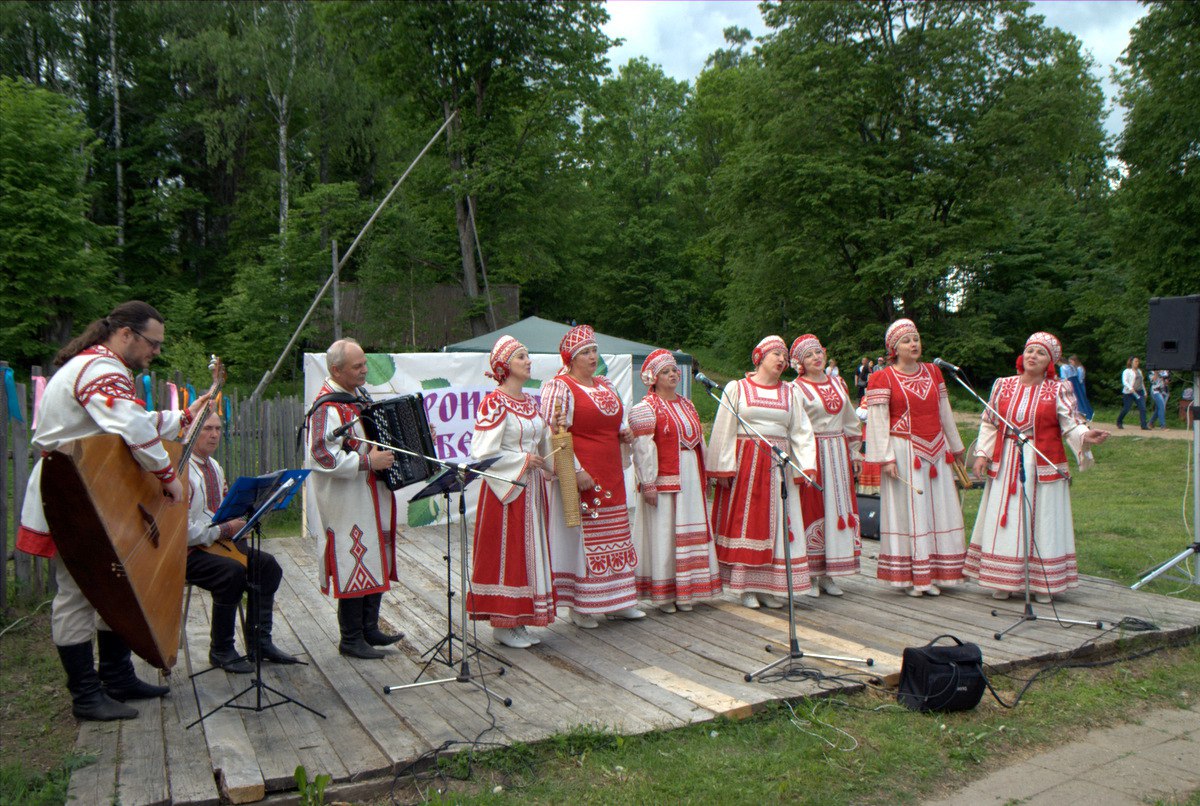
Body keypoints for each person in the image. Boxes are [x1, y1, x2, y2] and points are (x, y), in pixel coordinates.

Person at [16, 301, 210, 721]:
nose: (156, 352)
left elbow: (128, 421)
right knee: (78, 591)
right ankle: (87, 696)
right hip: (75, 489)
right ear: (125, 334)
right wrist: (167, 476)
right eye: (152, 343)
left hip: (94, 487)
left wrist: (183, 417)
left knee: (114, 584)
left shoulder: (99, 367)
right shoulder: (102, 370)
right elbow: (132, 428)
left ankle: (117, 677)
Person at [965, 333, 1110, 602]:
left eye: (1040, 353)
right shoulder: (1002, 385)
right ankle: (1004, 580)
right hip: (1007, 458)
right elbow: (989, 422)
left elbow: (1070, 424)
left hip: (1041, 459)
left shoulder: (1058, 388)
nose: (1033, 356)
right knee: (1005, 517)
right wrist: (983, 454)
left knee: (1042, 519)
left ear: (1050, 363)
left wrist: (1085, 436)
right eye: (1030, 350)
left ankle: (1043, 584)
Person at [540, 325, 645, 628]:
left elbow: (615, 422)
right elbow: (556, 433)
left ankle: (619, 601)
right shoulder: (560, 387)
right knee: (586, 537)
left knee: (616, 534)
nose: (591, 356)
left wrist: (623, 432)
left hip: (610, 469)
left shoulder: (605, 384)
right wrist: (574, 470)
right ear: (571, 359)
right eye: (585, 352)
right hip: (584, 472)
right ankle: (582, 606)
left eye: (593, 350)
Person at [306, 338, 405, 659]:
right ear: (336, 370)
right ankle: (350, 638)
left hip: (369, 493)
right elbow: (320, 455)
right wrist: (366, 462)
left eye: (364, 364)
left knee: (371, 553)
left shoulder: (356, 397)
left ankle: (368, 627)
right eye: (357, 366)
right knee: (355, 556)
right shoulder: (326, 407)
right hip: (346, 499)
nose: (365, 371)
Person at [708, 336, 817, 608]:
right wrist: (722, 467)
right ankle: (745, 586)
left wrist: (805, 465)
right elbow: (724, 427)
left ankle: (768, 586)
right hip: (747, 462)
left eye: (783, 355)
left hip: (778, 463)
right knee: (748, 523)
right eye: (775, 354)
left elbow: (801, 430)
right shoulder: (738, 388)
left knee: (779, 524)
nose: (781, 360)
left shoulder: (790, 392)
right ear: (760, 358)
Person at [186, 412, 299, 671]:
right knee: (231, 572)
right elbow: (180, 531)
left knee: (267, 566)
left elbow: (223, 508)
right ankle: (221, 649)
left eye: (218, 428)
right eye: (207, 429)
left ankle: (260, 642)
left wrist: (242, 522)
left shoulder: (214, 466)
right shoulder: (182, 472)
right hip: (186, 552)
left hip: (217, 544)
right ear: (190, 432)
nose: (214, 434)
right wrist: (225, 529)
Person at [466, 336, 557, 648]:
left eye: (527, 356)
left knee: (528, 552)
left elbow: (543, 443)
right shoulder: (493, 403)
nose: (528, 361)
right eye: (521, 357)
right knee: (511, 553)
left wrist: (556, 464)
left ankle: (520, 619)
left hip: (530, 489)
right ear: (505, 367)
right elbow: (482, 454)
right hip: (505, 490)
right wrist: (522, 460)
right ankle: (503, 623)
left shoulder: (530, 403)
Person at [864, 319, 966, 596]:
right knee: (912, 512)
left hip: (936, 450)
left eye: (916, 339)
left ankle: (937, 572)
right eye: (907, 340)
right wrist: (885, 458)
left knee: (940, 508)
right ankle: (913, 577)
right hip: (904, 450)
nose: (914, 344)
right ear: (894, 348)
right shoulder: (882, 377)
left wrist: (956, 447)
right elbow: (877, 421)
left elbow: (944, 411)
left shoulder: (934, 372)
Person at [630, 349, 722, 613]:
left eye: (674, 370)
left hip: (691, 478)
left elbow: (699, 443)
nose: (673, 374)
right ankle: (666, 593)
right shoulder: (645, 409)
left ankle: (688, 590)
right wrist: (648, 482)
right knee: (665, 533)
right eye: (666, 371)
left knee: (689, 530)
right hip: (665, 479)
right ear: (653, 378)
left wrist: (708, 472)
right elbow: (643, 449)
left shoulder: (687, 404)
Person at [790, 335, 862, 597]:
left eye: (818, 352)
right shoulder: (796, 389)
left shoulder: (838, 382)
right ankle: (810, 574)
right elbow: (794, 427)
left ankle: (829, 573)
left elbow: (850, 419)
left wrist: (855, 452)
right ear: (800, 363)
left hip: (839, 452)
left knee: (837, 508)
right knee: (813, 508)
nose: (816, 358)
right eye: (809, 355)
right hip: (813, 453)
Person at [1117, 356, 1148, 430]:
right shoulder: (1127, 371)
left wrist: (1145, 392)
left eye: (1138, 361)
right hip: (1129, 393)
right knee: (1126, 408)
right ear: (1131, 362)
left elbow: (1141, 382)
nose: (1137, 363)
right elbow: (1125, 381)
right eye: (1136, 361)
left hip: (1139, 391)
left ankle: (1144, 425)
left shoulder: (1139, 371)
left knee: (1143, 408)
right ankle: (1119, 421)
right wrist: (1130, 388)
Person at [1066, 355, 1094, 421]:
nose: (1070, 364)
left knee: (1081, 399)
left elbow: (1080, 379)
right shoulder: (1078, 368)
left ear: (1075, 361)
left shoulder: (1079, 368)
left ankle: (1085, 414)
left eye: (1071, 362)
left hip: (1079, 385)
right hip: (1079, 385)